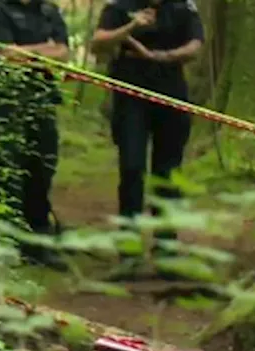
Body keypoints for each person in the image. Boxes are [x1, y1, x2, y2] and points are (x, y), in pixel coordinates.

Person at [91, 0, 203, 227]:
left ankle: (165, 243)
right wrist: (131, 27)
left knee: (168, 172)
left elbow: (195, 46)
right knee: (132, 167)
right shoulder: (120, 5)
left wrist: (160, 56)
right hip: (130, 95)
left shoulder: (183, 7)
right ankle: (128, 243)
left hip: (171, 94)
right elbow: (98, 42)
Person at [0, 0, 70, 268]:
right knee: (3, 169)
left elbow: (64, 52)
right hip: (8, 101)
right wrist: (44, 51)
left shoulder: (49, 10)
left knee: (42, 168)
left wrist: (26, 52)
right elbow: (6, 55)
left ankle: (38, 243)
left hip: (42, 99)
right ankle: (4, 240)